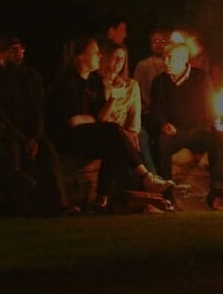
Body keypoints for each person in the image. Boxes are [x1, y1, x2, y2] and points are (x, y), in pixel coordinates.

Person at [46, 37, 171, 212]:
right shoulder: (67, 81)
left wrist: (113, 96)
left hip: (87, 135)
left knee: (115, 144)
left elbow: (102, 117)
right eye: (95, 52)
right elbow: (74, 121)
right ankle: (145, 177)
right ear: (81, 57)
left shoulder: (93, 81)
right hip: (67, 138)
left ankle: (102, 199)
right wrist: (97, 119)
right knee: (114, 132)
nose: (99, 55)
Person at [0, 35, 75, 216]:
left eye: (20, 49)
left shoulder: (33, 77)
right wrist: (23, 139)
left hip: (31, 132)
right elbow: (0, 114)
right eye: (13, 51)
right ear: (0, 55)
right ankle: (21, 206)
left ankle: (59, 203)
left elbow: (38, 111)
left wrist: (34, 138)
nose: (19, 54)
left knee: (48, 150)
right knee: (12, 150)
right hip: (9, 132)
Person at [149, 40, 223, 210]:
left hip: (198, 130)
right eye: (164, 58)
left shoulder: (201, 78)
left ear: (184, 60)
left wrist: (217, 121)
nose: (166, 62)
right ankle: (166, 194)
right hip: (175, 132)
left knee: (216, 133)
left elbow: (210, 107)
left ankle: (217, 192)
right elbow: (155, 111)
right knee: (161, 141)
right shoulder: (159, 82)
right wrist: (163, 124)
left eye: (170, 58)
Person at [133, 27, 172, 171]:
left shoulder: (171, 65)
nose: (159, 44)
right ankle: (152, 175)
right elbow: (135, 91)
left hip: (167, 114)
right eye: (156, 41)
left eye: (163, 41)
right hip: (148, 112)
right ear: (150, 44)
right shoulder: (143, 65)